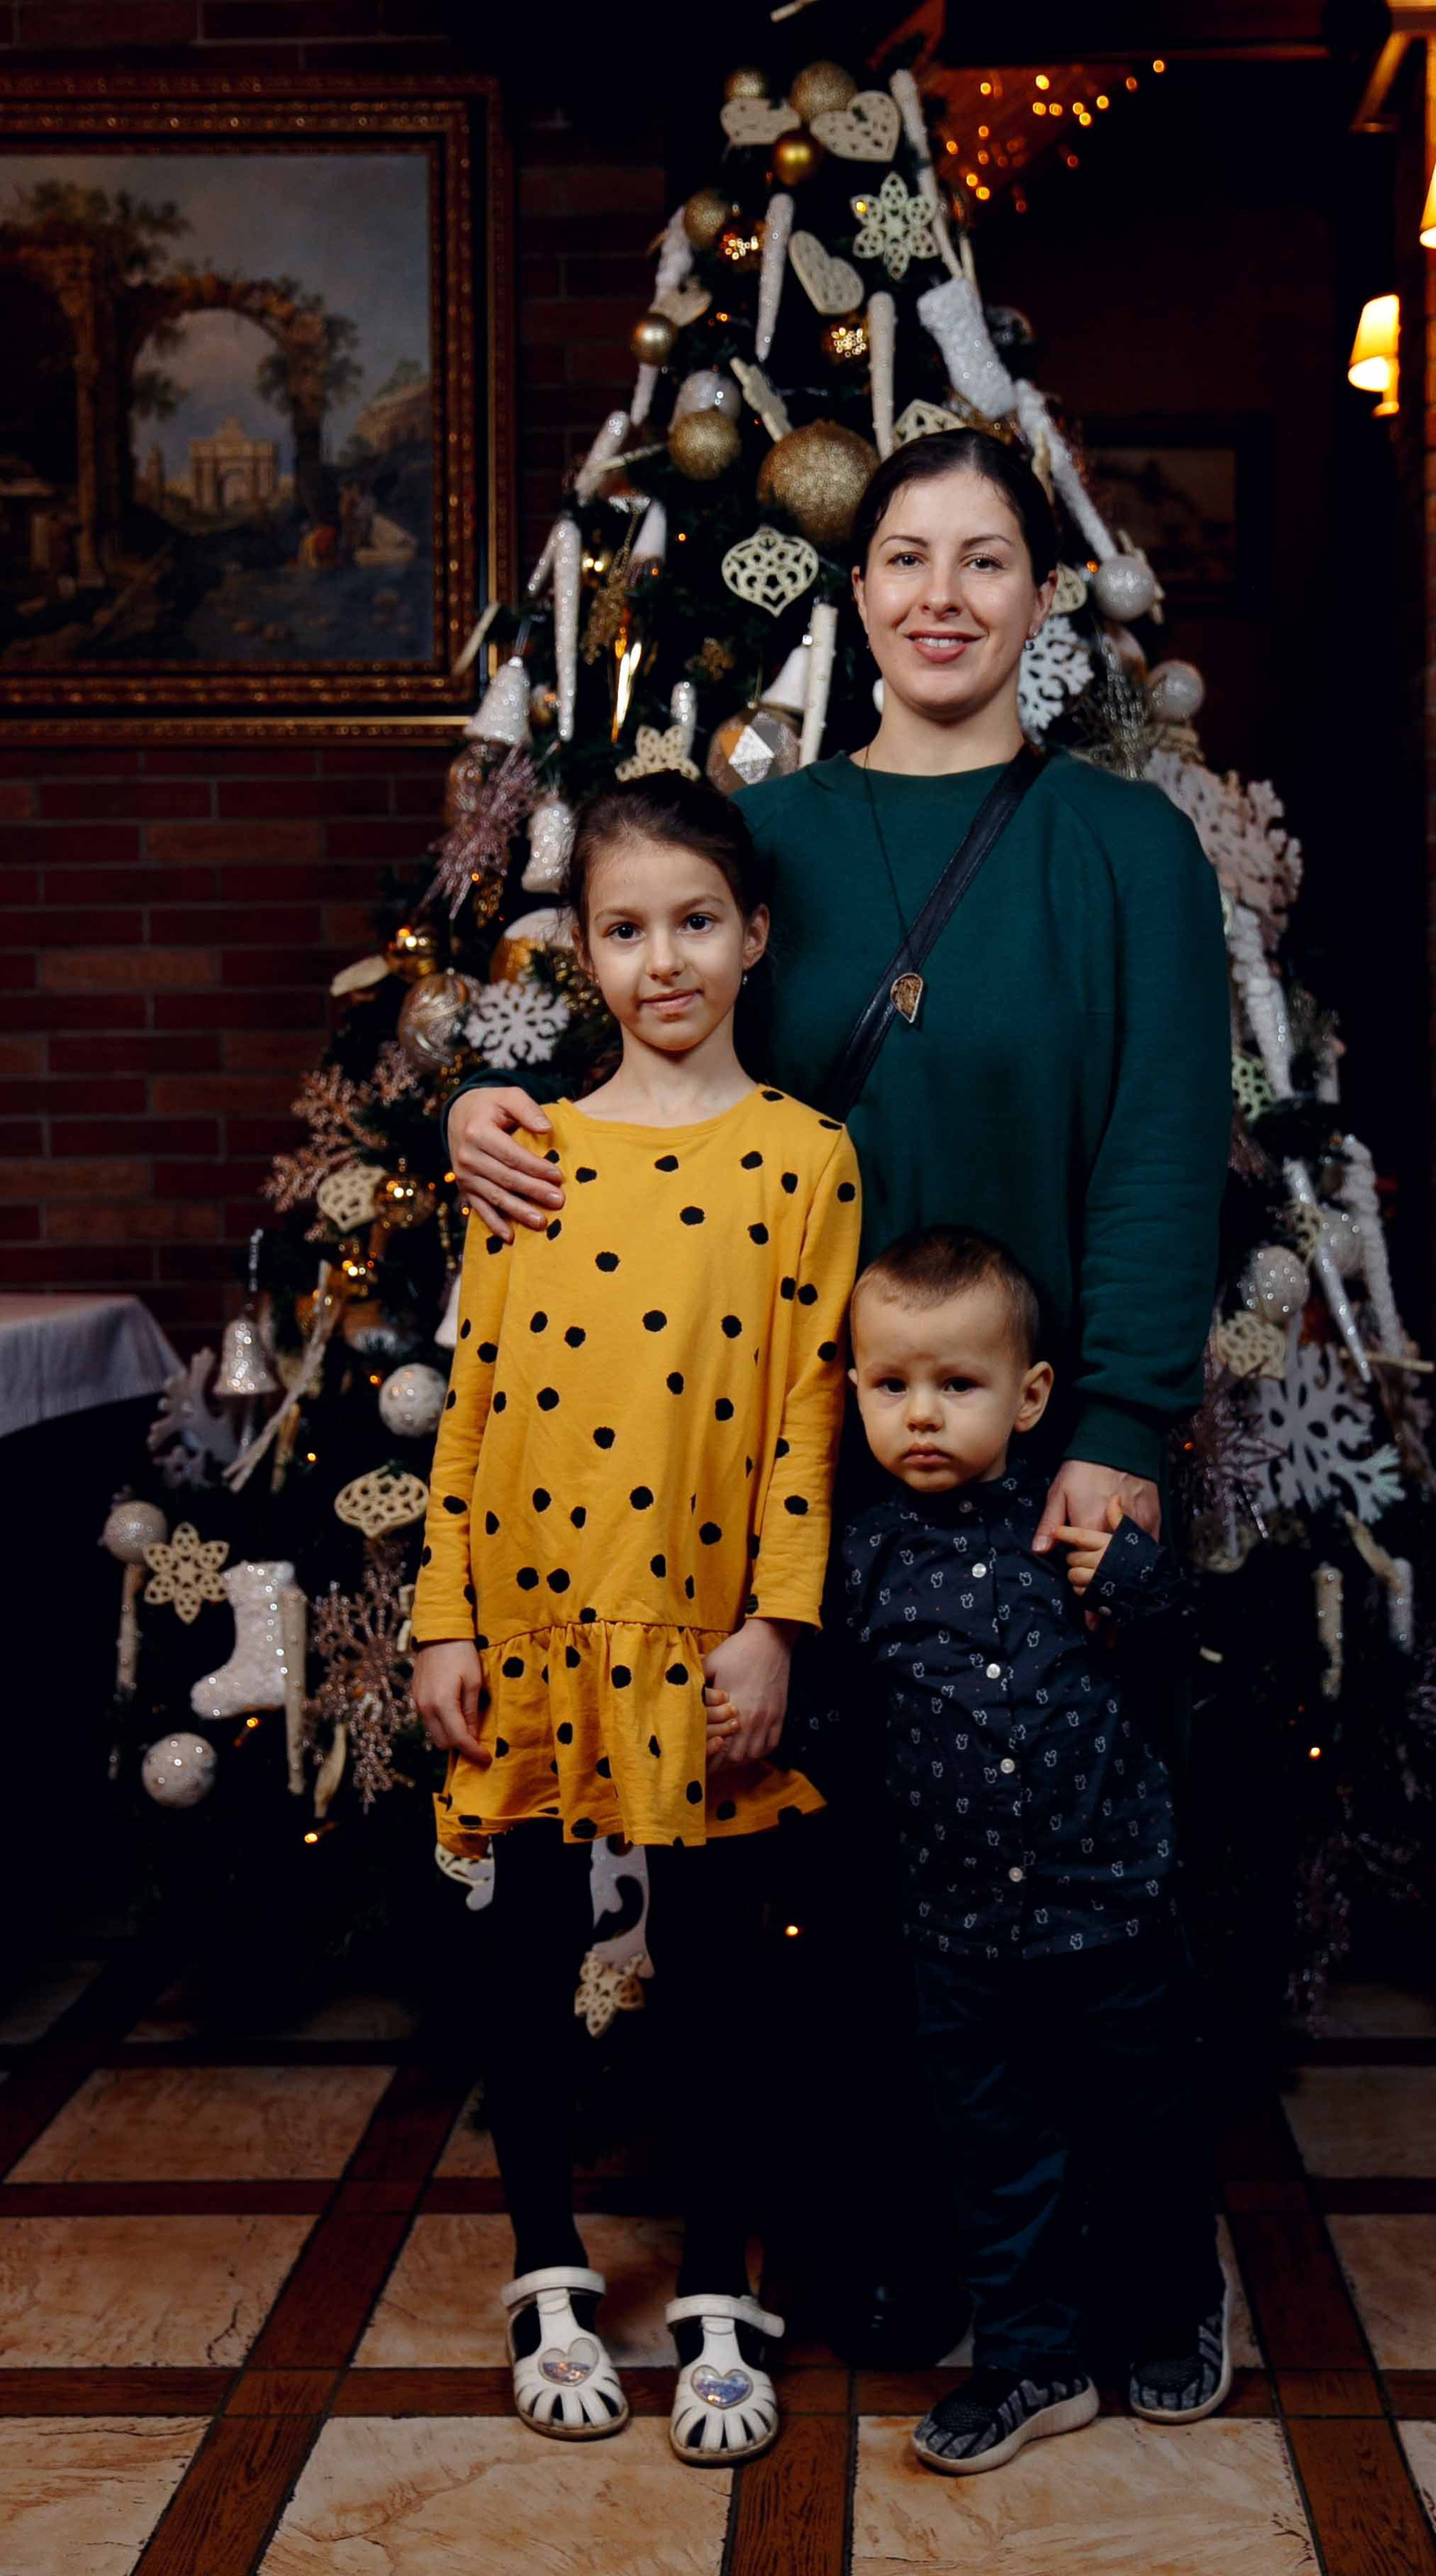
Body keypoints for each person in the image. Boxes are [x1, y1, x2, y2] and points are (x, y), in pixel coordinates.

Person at [445, 427, 1232, 2347]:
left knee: (1068, 1891)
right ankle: (893, 2245)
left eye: (985, 559)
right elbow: (650, 1058)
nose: (942, 596)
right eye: (905, 557)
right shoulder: (770, 838)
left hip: (1035, 1456)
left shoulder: (1126, 846)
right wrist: (482, 1112)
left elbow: (1162, 1147)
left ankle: (1127, 2267)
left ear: (1045, 599)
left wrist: (1119, 1426)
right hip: (791, 1459)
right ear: (855, 587)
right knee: (839, 1877)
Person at [412, 772, 861, 2461]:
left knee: (720, 1974)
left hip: (705, 1636)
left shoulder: (805, 1159)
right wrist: (444, 1618)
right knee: (528, 1957)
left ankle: (719, 2287)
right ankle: (547, 2269)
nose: (661, 960)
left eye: (694, 922)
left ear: (753, 936)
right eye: (623, 929)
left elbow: (810, 1411)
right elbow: (474, 1396)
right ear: (585, 953)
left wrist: (777, 1627)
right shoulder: (525, 1149)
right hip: (533, 1622)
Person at [840, 1224, 1226, 2472]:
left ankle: (1172, 2311)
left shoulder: (1074, 1526)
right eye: (892, 1385)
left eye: (958, 1385)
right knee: (997, 2153)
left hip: (1112, 1906)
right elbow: (841, 1723)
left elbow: (1179, 1650)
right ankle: (1031, 2360)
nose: (922, 1415)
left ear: (1029, 1395)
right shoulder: (862, 1558)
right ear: (855, 1390)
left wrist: (1135, 1580)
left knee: (1145, 2128)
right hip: (958, 1930)